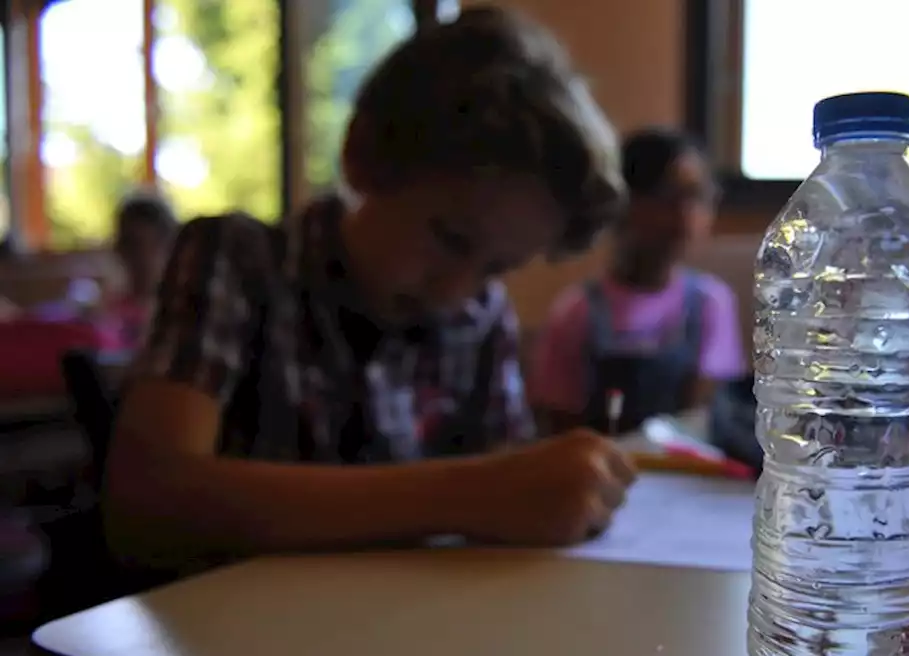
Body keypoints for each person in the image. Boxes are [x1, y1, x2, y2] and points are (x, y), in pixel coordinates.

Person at [104, 6, 635, 573]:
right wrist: (468, 495)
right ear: (362, 157)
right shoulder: (237, 261)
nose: (456, 291)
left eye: (495, 268)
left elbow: (507, 505)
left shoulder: (481, 318)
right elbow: (147, 503)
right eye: (450, 238)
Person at [530, 128, 745, 435]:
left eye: (697, 197)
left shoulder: (711, 304)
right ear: (624, 202)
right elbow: (557, 422)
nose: (686, 216)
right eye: (668, 197)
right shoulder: (577, 311)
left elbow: (705, 414)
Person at [104, 192, 179, 348]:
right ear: (119, 248)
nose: (143, 257)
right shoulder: (106, 314)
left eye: (154, 245)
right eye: (132, 245)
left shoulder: (181, 311)